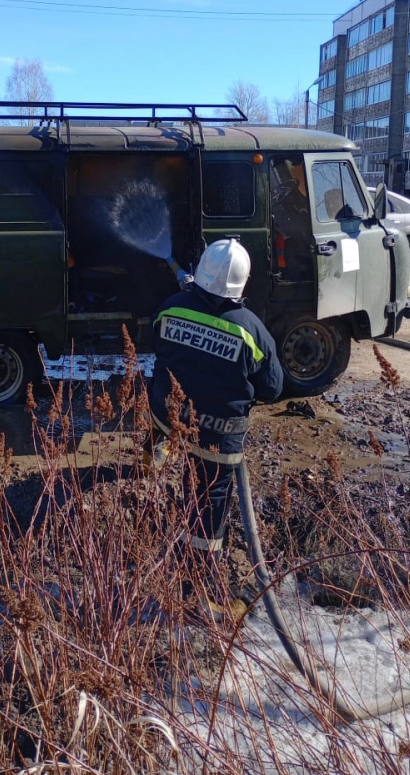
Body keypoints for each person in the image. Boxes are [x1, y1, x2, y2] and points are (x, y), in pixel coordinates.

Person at [148, 238, 284, 620]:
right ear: (242, 285)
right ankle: (200, 595)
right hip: (216, 437)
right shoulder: (251, 331)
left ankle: (155, 450)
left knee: (155, 394)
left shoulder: (169, 309)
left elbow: (154, 343)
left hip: (168, 416)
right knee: (209, 510)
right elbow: (273, 387)